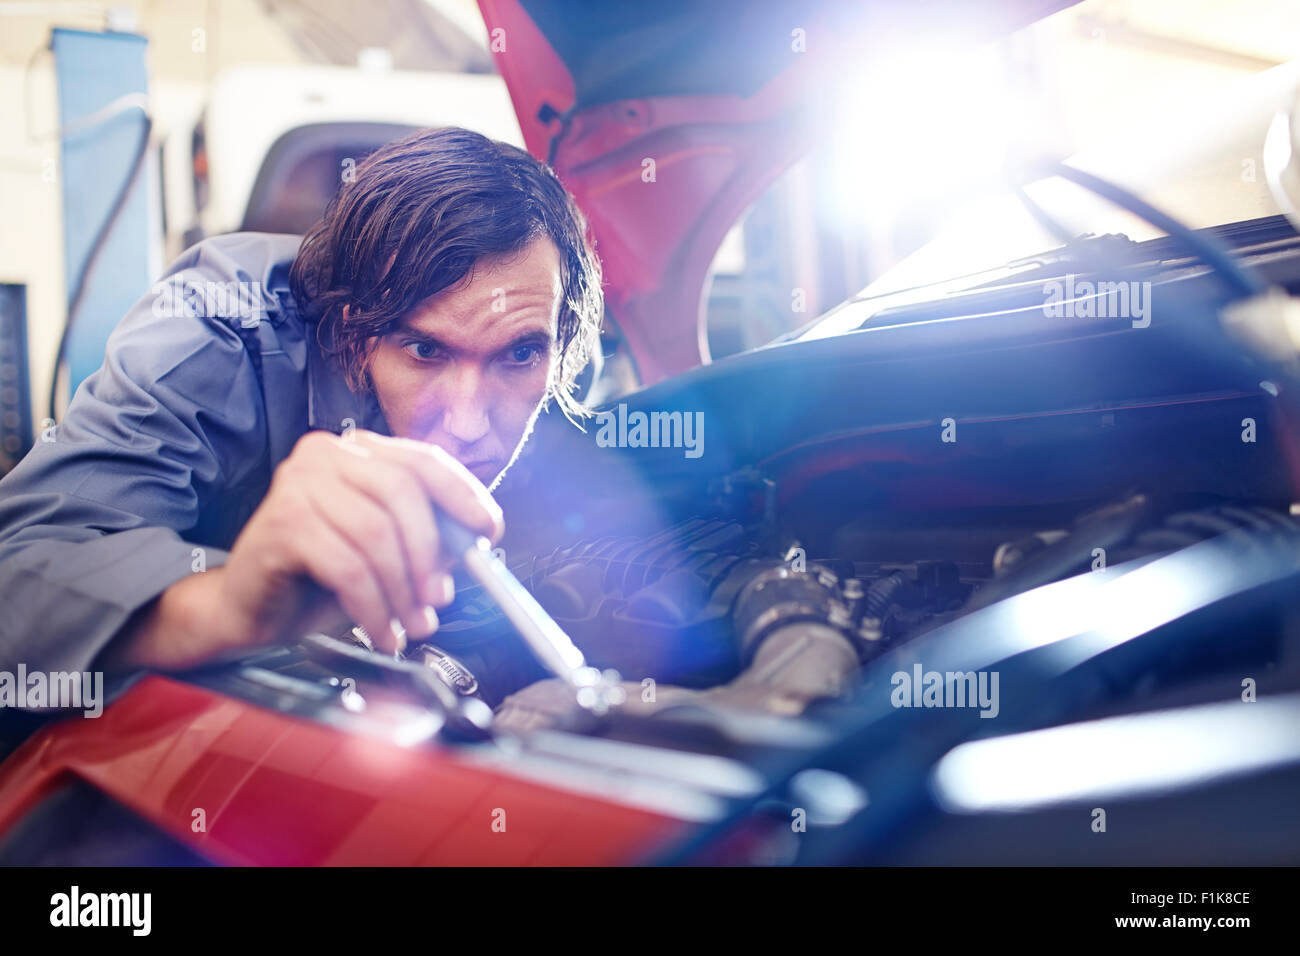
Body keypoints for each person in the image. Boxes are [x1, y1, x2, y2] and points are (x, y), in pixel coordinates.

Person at [0, 126, 603, 674]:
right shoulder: (211, 331)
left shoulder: (557, 352)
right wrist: (231, 603)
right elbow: (17, 579)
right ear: (353, 331)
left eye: (518, 356)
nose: (469, 423)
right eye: (424, 350)